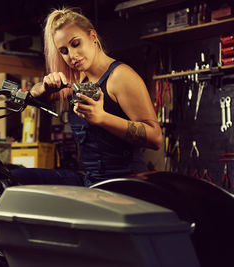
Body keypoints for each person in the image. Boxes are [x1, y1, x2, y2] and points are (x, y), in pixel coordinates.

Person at [11, 7, 162, 187]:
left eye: (76, 44)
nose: (72, 56)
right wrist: (45, 86)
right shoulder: (76, 79)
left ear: (92, 36)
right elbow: (32, 94)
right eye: (64, 51)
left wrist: (103, 118)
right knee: (15, 178)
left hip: (124, 182)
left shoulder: (120, 77)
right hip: (90, 181)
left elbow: (156, 138)